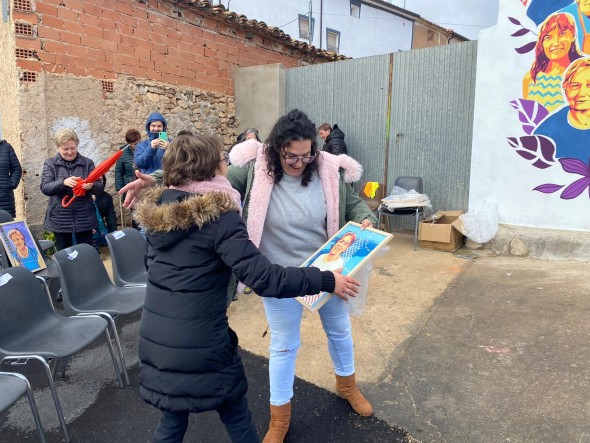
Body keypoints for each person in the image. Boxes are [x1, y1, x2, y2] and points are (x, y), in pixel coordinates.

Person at [132, 133, 360, 443]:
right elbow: (264, 278)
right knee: (236, 414)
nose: (226, 165)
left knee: (172, 421)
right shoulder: (220, 218)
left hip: (156, 341)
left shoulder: (157, 216)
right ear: (213, 169)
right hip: (203, 344)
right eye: (222, 161)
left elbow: (154, 268)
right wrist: (325, 279)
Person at [227, 109, 377, 443]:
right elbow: (215, 186)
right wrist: (170, 186)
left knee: (339, 332)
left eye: (307, 154)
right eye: (291, 156)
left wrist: (365, 218)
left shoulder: (326, 170)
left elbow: (353, 204)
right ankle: (279, 417)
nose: (299, 162)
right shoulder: (254, 171)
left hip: (327, 271)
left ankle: (348, 387)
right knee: (283, 346)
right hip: (279, 277)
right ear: (277, 148)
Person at [40, 129, 103, 251]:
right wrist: (63, 182)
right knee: (65, 253)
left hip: (84, 216)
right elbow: (45, 187)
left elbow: (99, 187)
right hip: (60, 217)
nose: (70, 152)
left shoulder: (87, 163)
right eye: (65, 149)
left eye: (73, 148)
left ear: (77, 145)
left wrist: (92, 186)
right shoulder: (50, 164)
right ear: (58, 148)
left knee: (85, 252)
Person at [523, 13, 583, 112]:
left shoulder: (583, 72)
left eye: (562, 33)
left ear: (573, 35)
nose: (555, 43)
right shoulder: (530, 78)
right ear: (542, 42)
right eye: (548, 37)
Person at [534, 57, 590, 162]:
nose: (582, 93)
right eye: (575, 86)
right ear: (565, 88)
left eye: (589, 85)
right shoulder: (546, 134)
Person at [0, 139, 22, 218]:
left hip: (5, 199)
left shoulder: (6, 147)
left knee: (6, 228)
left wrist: (11, 184)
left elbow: (17, 169)